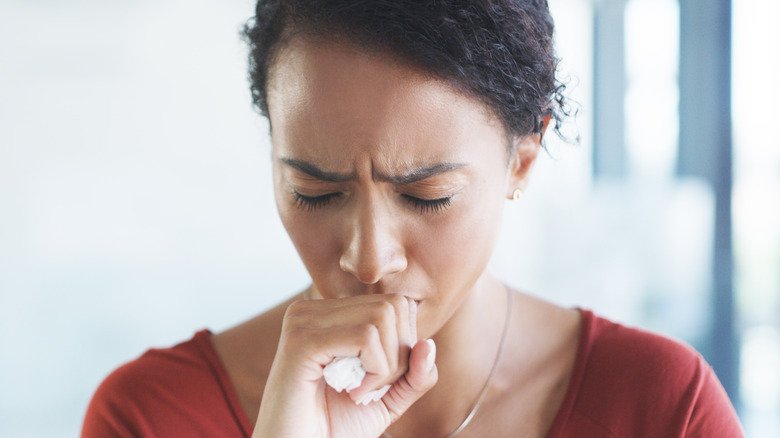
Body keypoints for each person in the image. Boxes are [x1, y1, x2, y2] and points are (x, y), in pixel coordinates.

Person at [82, 1, 744, 437]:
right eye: (314, 190)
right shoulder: (150, 416)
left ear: (522, 160)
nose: (368, 260)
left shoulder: (662, 408)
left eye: (427, 195)